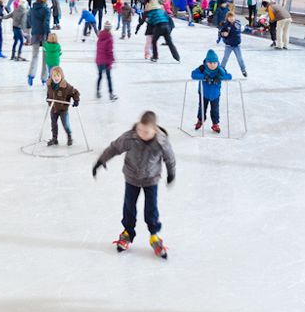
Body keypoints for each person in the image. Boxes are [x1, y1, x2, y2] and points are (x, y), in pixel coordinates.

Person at [92, 110, 176, 259]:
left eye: (146, 131)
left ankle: (154, 236)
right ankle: (127, 233)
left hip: (151, 179)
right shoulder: (130, 137)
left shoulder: (161, 141)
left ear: (154, 129)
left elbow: (169, 158)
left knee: (151, 208)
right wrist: (101, 161)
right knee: (129, 206)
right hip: (132, 178)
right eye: (140, 130)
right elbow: (114, 148)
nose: (142, 134)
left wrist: (171, 173)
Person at [190, 50, 229, 132]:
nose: (212, 65)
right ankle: (200, 120)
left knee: (215, 109)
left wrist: (219, 77)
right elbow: (193, 74)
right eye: (210, 63)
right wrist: (204, 76)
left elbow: (229, 76)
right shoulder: (202, 68)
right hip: (203, 93)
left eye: (214, 63)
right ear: (207, 62)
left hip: (215, 94)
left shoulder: (220, 69)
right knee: (202, 108)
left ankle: (215, 124)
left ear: (217, 62)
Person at [45, 66, 81, 146]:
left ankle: (69, 137)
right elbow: (49, 93)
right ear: (51, 76)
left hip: (63, 109)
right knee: (53, 124)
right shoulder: (49, 84)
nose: (56, 78)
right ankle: (54, 139)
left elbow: (75, 92)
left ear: (61, 76)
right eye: (54, 76)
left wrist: (76, 100)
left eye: (58, 75)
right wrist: (48, 98)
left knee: (65, 124)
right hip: (53, 108)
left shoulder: (66, 86)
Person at [26, 0, 52, 85]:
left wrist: (32, 27)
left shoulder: (32, 9)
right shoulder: (46, 9)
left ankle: (31, 75)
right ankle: (44, 78)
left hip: (35, 34)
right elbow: (46, 23)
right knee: (45, 57)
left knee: (34, 56)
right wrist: (48, 34)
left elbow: (28, 21)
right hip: (44, 34)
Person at [217, 10, 247, 78]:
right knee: (225, 58)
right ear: (227, 18)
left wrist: (245, 27)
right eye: (229, 17)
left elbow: (242, 29)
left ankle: (243, 70)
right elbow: (220, 33)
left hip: (237, 45)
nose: (231, 18)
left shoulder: (238, 24)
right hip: (228, 45)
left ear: (234, 17)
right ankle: (221, 69)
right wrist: (223, 34)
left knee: (240, 59)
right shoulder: (225, 24)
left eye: (232, 17)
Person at [95, 21, 116, 101]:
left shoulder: (100, 37)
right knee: (108, 78)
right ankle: (111, 94)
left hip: (99, 61)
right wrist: (112, 59)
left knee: (100, 76)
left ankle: (98, 91)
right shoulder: (109, 38)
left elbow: (99, 50)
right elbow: (109, 51)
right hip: (106, 61)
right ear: (110, 28)